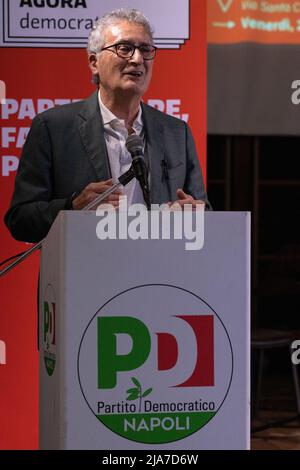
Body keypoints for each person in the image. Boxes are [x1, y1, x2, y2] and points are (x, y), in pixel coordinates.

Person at [4, 8, 211, 244]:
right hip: (83, 274)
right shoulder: (53, 128)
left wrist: (194, 214)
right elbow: (20, 221)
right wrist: (72, 207)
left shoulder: (177, 132)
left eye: (145, 49)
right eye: (124, 48)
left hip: (158, 275)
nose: (137, 59)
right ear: (94, 62)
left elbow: (203, 210)